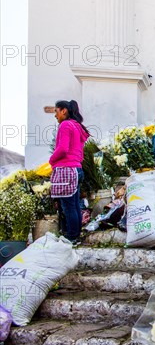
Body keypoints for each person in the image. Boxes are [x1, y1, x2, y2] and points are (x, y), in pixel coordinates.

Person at [49, 100, 90, 245]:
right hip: (76, 169)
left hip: (66, 169)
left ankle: (71, 236)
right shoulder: (77, 126)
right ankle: (76, 235)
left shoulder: (66, 125)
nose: (55, 115)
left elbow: (62, 148)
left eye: (56, 111)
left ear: (64, 111)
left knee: (68, 206)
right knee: (74, 205)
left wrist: (52, 160)